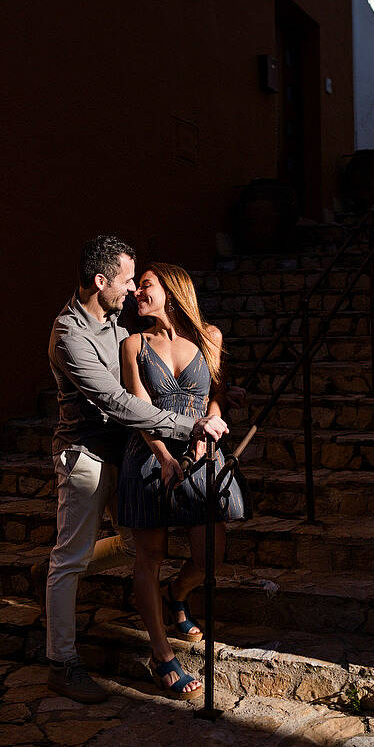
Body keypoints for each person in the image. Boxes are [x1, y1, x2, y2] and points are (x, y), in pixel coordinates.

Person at [46, 237, 229, 704]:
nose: (132, 289)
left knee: (129, 543)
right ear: (100, 281)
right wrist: (188, 427)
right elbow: (118, 401)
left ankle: (63, 574)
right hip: (86, 454)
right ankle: (61, 662)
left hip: (125, 452)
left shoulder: (115, 323)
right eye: (127, 280)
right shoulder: (70, 335)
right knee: (70, 558)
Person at [117, 262, 244, 700]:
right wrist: (165, 456)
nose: (137, 293)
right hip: (152, 455)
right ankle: (161, 655)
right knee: (149, 556)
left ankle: (178, 593)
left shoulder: (210, 336)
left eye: (145, 285)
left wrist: (214, 422)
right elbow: (137, 407)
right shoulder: (133, 344)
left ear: (170, 291)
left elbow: (215, 397)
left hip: (204, 454)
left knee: (211, 555)